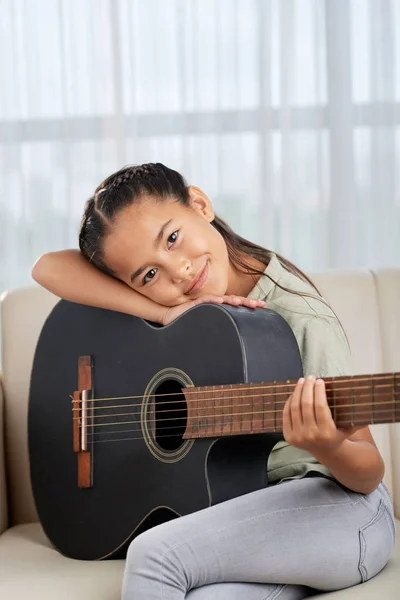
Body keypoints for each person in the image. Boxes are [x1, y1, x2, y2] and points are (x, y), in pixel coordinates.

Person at [32, 163, 395, 600]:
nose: (178, 271)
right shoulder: (175, 314)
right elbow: (47, 267)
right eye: (148, 275)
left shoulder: (299, 317)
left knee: (155, 558)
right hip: (256, 518)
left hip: (344, 513)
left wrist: (327, 445)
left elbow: (368, 474)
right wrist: (163, 311)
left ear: (200, 205)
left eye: (171, 239)